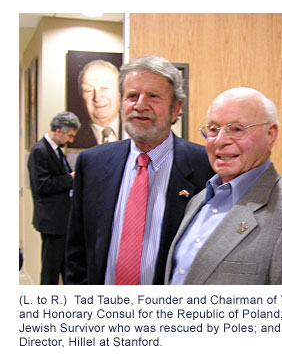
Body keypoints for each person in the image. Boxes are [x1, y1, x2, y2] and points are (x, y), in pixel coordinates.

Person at [65, 55, 214, 285]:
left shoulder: (206, 167)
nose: (140, 105)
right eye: (132, 96)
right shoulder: (92, 163)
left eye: (153, 96)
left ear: (176, 109)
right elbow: (77, 253)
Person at [164, 87, 282, 285]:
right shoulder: (198, 200)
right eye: (213, 129)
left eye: (237, 129)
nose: (220, 141)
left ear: (270, 134)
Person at [27, 111, 81, 284]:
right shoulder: (39, 151)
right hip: (52, 222)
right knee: (50, 271)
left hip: (62, 221)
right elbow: (42, 185)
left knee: (66, 266)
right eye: (70, 136)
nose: (71, 141)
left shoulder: (56, 150)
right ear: (58, 131)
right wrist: (71, 178)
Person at [70, 60, 121, 148]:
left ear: (120, 92)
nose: (97, 97)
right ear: (81, 96)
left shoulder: (139, 132)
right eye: (88, 90)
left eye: (105, 88)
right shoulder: (70, 140)